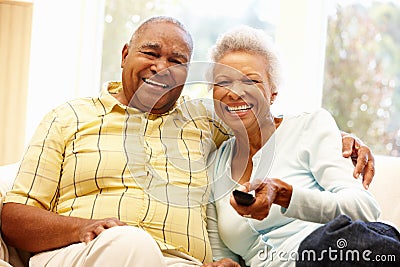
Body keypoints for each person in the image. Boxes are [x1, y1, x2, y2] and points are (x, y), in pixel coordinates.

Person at [0, 16, 376, 267]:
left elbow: (253, 115)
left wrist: (337, 136)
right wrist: (81, 228)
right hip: (90, 252)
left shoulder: (200, 121)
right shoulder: (69, 117)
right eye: (150, 52)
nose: (162, 67)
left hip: (183, 264)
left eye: (177, 61)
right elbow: (13, 215)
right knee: (129, 244)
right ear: (125, 54)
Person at [205, 25, 400, 267]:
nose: (234, 93)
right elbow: (223, 254)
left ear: (272, 92)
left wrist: (287, 196)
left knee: (327, 244)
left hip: (339, 253)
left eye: (251, 81)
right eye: (223, 81)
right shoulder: (214, 165)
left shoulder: (309, 127)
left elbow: (365, 209)